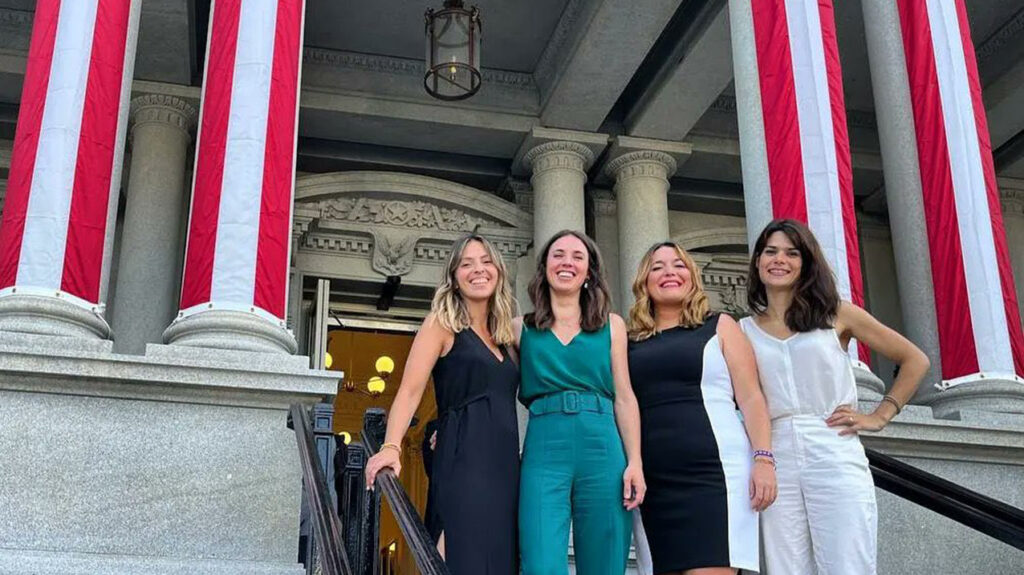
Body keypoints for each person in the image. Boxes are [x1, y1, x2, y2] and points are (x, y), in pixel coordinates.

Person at [740, 219, 929, 574]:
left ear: (806, 262)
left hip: (832, 443)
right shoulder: (743, 330)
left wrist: (880, 414)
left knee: (847, 562)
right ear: (757, 261)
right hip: (773, 451)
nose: (779, 260)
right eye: (770, 252)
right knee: (786, 567)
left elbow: (915, 360)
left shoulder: (836, 314)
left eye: (791, 253)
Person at [364, 234, 520, 575]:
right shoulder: (442, 324)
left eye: (486, 261)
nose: (478, 270)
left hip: (506, 467)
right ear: (453, 276)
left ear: (499, 270)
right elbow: (409, 390)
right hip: (463, 459)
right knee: (459, 555)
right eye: (466, 264)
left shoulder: (509, 335)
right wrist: (391, 446)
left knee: (499, 560)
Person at [627, 241, 776, 575]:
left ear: (692, 277)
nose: (669, 272)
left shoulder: (720, 325)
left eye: (678, 265)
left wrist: (764, 459)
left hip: (714, 476)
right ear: (644, 281)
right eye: (658, 266)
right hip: (654, 481)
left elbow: (751, 397)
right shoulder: (629, 339)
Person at [515, 229, 646, 575]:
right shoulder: (518, 329)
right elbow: (485, 377)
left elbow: (624, 397)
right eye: (558, 255)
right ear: (543, 267)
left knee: (605, 560)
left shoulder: (611, 326)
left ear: (590, 272)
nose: (567, 263)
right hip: (544, 445)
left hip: (602, 444)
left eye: (577, 257)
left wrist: (635, 462)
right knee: (540, 562)